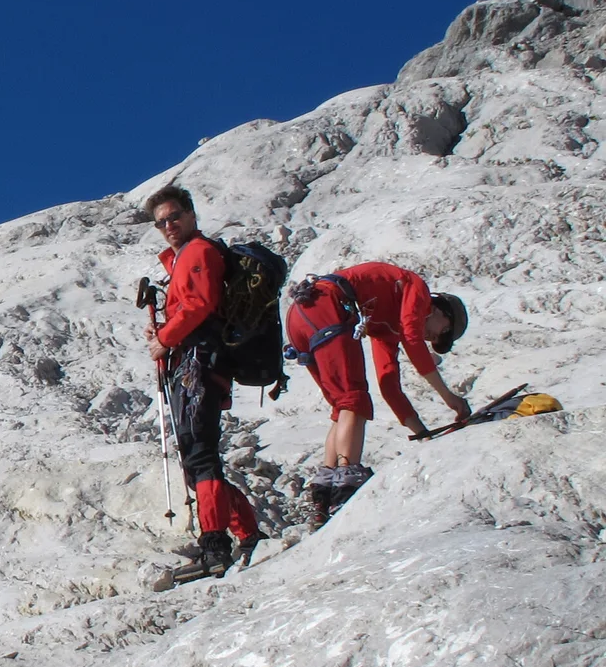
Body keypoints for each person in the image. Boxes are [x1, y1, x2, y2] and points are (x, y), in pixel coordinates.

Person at [285, 262, 471, 523]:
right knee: (353, 400)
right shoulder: (416, 290)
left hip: (301, 316)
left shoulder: (385, 327)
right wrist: (451, 400)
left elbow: (389, 385)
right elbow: (414, 342)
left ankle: (324, 491)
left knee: (343, 405)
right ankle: (345, 485)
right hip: (326, 306)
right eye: (443, 332)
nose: (434, 338)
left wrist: (423, 435)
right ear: (442, 310)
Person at [142, 186, 262, 581]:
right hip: (195, 362)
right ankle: (247, 535)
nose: (169, 226)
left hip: (198, 361)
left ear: (191, 214)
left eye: (174, 216)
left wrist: (164, 339)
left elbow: (200, 304)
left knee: (200, 455)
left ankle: (215, 546)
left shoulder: (197, 252)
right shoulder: (182, 259)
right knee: (198, 455)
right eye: (161, 222)